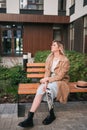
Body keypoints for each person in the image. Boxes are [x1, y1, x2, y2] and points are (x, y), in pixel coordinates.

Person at [18, 40, 70, 128]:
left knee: (48, 90)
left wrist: (47, 79)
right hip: (49, 80)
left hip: (60, 82)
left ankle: (51, 115)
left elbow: (60, 77)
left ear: (59, 48)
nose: (51, 46)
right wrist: (46, 82)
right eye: (52, 45)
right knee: (41, 90)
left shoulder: (65, 60)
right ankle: (30, 118)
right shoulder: (50, 58)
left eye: (54, 45)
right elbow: (47, 71)